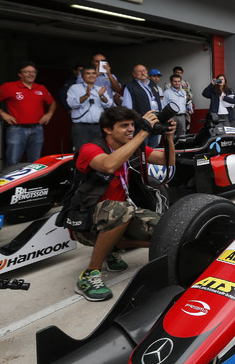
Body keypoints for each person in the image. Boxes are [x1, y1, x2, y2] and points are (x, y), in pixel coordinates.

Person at [70, 106, 175, 301]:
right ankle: (89, 275)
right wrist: (143, 132)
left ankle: (112, 249)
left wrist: (168, 137)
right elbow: (109, 165)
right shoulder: (90, 149)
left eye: (132, 125)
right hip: (86, 223)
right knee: (121, 209)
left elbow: (167, 161)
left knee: (165, 228)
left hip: (119, 215)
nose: (130, 129)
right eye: (124, 126)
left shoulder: (132, 147)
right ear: (108, 129)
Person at [0, 61, 56, 165]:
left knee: (34, 162)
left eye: (33, 72)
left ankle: (31, 182)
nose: (31, 74)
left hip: (37, 129)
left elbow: (52, 102)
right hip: (16, 129)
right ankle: (13, 181)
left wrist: (49, 114)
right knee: (13, 161)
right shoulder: (9, 87)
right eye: (27, 71)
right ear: (19, 74)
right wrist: (2, 113)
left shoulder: (41, 88)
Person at [67, 65, 113, 151]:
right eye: (88, 73)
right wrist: (86, 96)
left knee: (101, 151)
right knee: (81, 152)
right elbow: (72, 104)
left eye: (93, 73)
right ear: (82, 76)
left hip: (99, 126)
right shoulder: (75, 88)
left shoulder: (100, 89)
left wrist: (101, 96)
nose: (91, 75)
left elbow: (109, 104)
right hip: (81, 127)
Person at [121, 64, 162, 147]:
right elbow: (127, 108)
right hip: (141, 124)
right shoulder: (130, 87)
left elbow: (160, 103)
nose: (142, 72)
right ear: (134, 75)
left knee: (153, 149)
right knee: (141, 149)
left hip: (155, 122)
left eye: (144, 70)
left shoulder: (153, 85)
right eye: (139, 71)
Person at [173, 66, 194, 131]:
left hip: (185, 109)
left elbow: (190, 94)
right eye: (177, 73)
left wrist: (186, 97)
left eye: (180, 73)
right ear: (174, 73)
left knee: (186, 127)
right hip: (174, 111)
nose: (179, 74)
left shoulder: (185, 83)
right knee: (174, 129)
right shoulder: (169, 83)